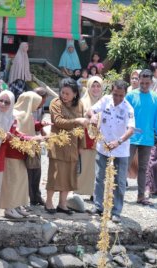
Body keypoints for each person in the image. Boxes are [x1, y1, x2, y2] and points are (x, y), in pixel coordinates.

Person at [87, 80, 135, 223]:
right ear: (111, 92)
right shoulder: (105, 100)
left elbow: (131, 130)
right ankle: (98, 207)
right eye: (115, 95)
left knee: (119, 182)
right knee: (99, 177)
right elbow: (90, 110)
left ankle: (116, 212)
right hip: (103, 147)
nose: (117, 98)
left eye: (121, 95)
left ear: (125, 94)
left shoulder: (128, 109)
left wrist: (118, 141)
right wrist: (93, 116)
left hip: (120, 150)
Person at [45, 78, 88, 214]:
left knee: (70, 176)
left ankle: (62, 204)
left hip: (73, 145)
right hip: (58, 144)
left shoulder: (79, 105)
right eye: (62, 92)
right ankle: (49, 202)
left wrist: (82, 144)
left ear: (75, 94)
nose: (64, 96)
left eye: (67, 93)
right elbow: (58, 121)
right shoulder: (55, 103)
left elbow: (82, 127)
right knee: (55, 174)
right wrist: (76, 120)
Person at [0, 92, 46, 219]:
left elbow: (29, 126)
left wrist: (41, 125)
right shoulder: (15, 115)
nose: (37, 106)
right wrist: (32, 138)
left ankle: (17, 205)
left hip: (23, 152)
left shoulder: (28, 114)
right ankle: (9, 207)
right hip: (12, 153)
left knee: (21, 181)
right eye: (36, 102)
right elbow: (16, 133)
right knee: (12, 181)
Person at [125, 69, 157, 206]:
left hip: (147, 139)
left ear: (151, 82)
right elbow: (123, 115)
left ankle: (141, 196)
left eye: (147, 83)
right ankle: (115, 195)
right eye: (141, 82)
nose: (143, 85)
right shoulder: (130, 96)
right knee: (124, 166)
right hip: (130, 137)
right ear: (139, 79)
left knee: (143, 168)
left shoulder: (155, 98)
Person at [76, 76, 103, 198]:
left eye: (98, 86)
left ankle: (95, 193)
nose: (96, 89)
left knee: (97, 169)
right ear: (89, 87)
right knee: (83, 168)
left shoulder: (105, 102)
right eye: (93, 86)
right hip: (85, 140)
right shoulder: (82, 102)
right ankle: (77, 193)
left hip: (100, 141)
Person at [27, 87, 49, 206]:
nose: (43, 104)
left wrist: (43, 132)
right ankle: (30, 197)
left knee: (37, 170)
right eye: (42, 101)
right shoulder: (28, 108)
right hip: (27, 141)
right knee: (30, 170)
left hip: (37, 141)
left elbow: (39, 124)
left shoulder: (40, 109)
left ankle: (37, 196)